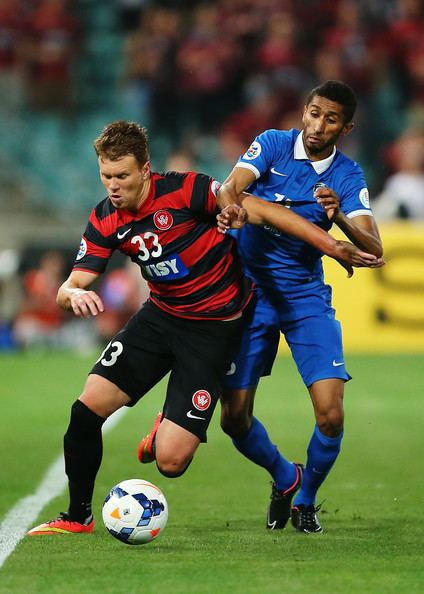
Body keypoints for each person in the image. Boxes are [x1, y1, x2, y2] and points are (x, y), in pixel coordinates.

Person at [27, 119, 382, 536]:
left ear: (145, 170)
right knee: (86, 408)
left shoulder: (186, 190)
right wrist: (73, 294)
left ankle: (174, 424)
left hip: (213, 332)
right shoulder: (105, 218)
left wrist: (334, 245)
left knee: (171, 463)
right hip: (159, 318)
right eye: (106, 176)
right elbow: (71, 284)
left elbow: (264, 209)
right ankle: (77, 515)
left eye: (122, 175)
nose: (113, 185)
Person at [217, 80, 384, 534]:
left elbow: (374, 247)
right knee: (233, 419)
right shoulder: (273, 144)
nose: (317, 125)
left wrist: (342, 218)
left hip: (305, 296)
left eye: (330, 119)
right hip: (248, 294)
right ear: (304, 111)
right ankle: (284, 475)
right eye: (313, 113)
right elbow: (234, 186)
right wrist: (232, 209)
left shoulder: (347, 176)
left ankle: (305, 501)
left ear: (345, 127)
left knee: (331, 414)